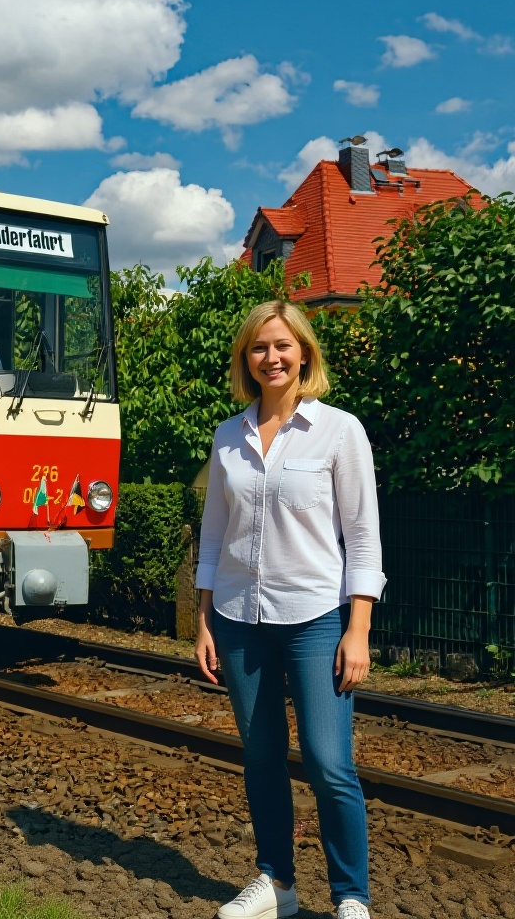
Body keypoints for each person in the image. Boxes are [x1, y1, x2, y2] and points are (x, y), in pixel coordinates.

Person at [194, 300, 383, 919]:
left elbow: (362, 536)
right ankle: (277, 883)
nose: (270, 358)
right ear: (245, 360)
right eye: (258, 348)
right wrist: (203, 616)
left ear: (304, 352)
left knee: (330, 763)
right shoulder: (229, 435)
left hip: (315, 618)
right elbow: (215, 535)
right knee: (261, 756)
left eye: (281, 346)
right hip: (239, 619)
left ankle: (351, 897)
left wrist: (358, 629)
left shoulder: (340, 431)